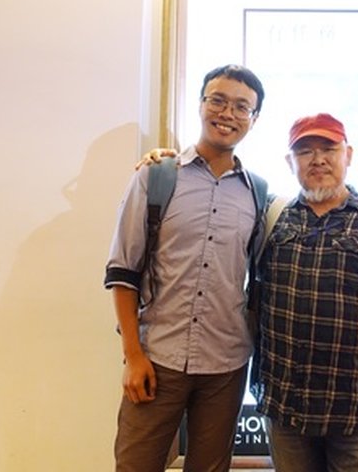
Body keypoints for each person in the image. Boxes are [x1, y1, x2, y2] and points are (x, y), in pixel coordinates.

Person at [103, 64, 267, 472]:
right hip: (158, 358)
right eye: (218, 100)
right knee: (136, 465)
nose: (227, 113)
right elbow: (123, 271)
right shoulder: (157, 176)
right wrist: (133, 356)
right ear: (200, 104)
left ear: (254, 118)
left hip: (226, 365)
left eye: (241, 107)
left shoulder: (257, 193)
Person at [251, 113, 358, 472]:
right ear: (289, 162)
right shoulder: (272, 217)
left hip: (357, 408)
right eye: (305, 151)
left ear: (348, 155)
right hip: (286, 405)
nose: (318, 160)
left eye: (328, 149)